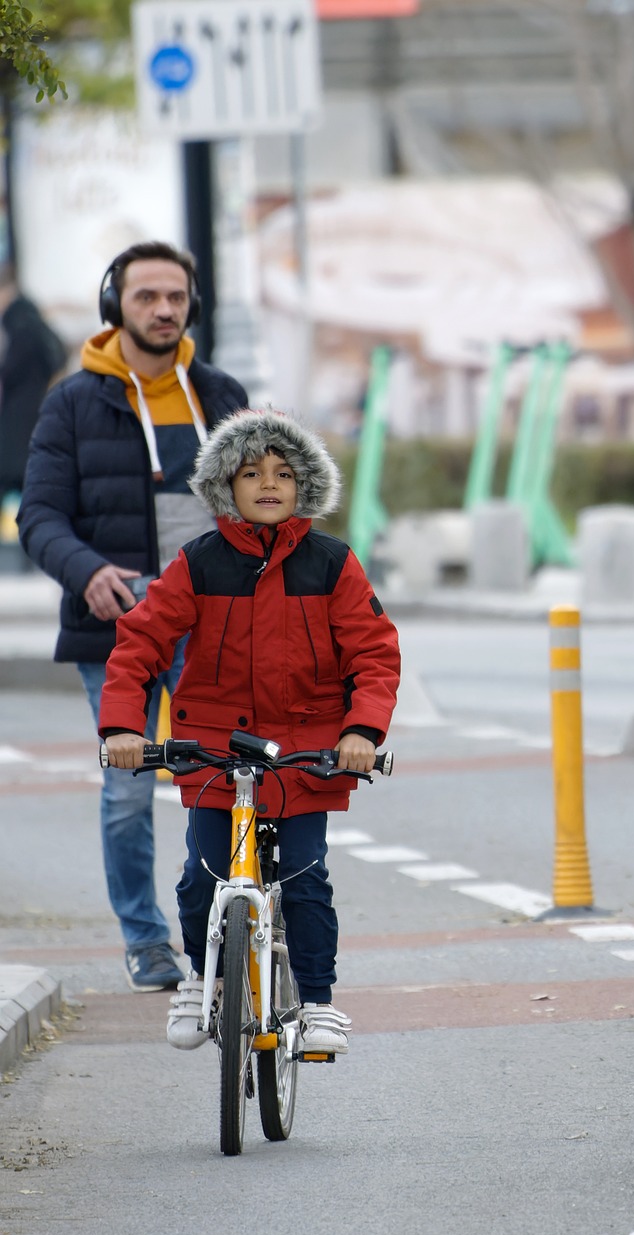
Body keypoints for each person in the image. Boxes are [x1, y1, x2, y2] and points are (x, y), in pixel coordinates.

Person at [98, 407, 401, 1054]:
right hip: (211, 749)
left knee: (303, 874)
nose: (269, 483)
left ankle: (317, 1001)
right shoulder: (198, 563)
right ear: (223, 487)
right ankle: (200, 980)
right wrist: (125, 726)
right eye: (251, 472)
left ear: (305, 488)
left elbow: (374, 653)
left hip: (306, 751)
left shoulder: (331, 564)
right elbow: (140, 644)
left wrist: (362, 732)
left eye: (285, 473)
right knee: (201, 874)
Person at [18, 242, 248, 993]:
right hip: (118, 630)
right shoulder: (73, 402)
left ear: (192, 305)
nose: (163, 310)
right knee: (127, 792)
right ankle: (146, 941)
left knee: (224, 779)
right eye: (146, 296)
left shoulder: (220, 394)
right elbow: (41, 516)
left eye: (175, 297)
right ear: (115, 304)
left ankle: (225, 925)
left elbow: (263, 504)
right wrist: (87, 572)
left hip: (213, 625)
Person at [0, 263, 66, 500]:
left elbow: (53, 358)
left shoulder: (21, 322)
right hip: (27, 418)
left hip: (22, 422)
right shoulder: (25, 320)